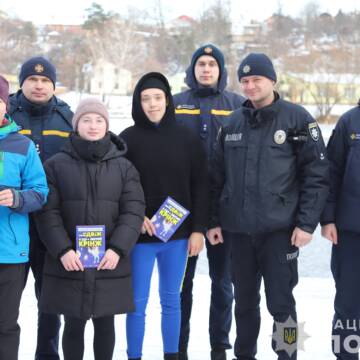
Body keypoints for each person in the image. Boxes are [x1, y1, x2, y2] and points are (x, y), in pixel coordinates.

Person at [208, 53, 329, 360]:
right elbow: (215, 177)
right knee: (244, 303)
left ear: (272, 80)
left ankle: (288, 354)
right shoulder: (231, 122)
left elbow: (316, 174)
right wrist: (212, 220)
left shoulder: (298, 119)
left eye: (256, 80)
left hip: (280, 232)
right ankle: (244, 355)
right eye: (245, 81)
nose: (249, 86)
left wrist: (306, 223)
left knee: (282, 304)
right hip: (239, 232)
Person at [35, 98, 145, 360]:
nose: (93, 125)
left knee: (105, 323)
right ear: (76, 125)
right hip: (70, 260)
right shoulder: (55, 165)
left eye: (99, 120)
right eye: (86, 120)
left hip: (108, 259)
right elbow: (48, 212)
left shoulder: (124, 166)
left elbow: (133, 210)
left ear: (107, 125)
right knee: (74, 323)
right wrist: (63, 250)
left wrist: (118, 248)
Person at [120, 72, 208, 360]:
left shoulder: (187, 137)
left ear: (168, 100)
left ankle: (172, 355)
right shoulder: (127, 140)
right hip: (141, 236)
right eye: (145, 99)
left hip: (178, 237)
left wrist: (198, 229)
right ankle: (135, 355)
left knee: (172, 301)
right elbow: (119, 186)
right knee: (137, 303)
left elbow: (201, 184)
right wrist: (134, 217)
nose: (152, 104)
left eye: (157, 98)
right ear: (138, 103)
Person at [173, 44, 244, 360]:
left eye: (212, 64)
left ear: (221, 70)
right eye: (200, 63)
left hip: (223, 208)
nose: (205, 69)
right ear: (192, 69)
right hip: (180, 209)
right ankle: (178, 345)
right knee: (180, 284)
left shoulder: (237, 106)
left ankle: (219, 345)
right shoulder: (176, 104)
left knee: (222, 282)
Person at [8, 56, 73, 360]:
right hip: (10, 226)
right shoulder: (4, 112)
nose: (38, 85)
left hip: (50, 226)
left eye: (45, 80)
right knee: (5, 302)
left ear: (53, 85)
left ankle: (46, 355)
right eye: (32, 80)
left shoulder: (67, 118)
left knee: (49, 301)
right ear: (21, 83)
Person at [0, 74, 48, 360]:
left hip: (10, 253)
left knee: (4, 325)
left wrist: (17, 198)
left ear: (5, 105)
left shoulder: (22, 146)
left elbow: (41, 192)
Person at [321, 101, 360, 359]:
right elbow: (329, 173)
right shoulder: (349, 122)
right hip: (350, 232)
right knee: (348, 305)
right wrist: (327, 219)